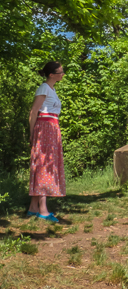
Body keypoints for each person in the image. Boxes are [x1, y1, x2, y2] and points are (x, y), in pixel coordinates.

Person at [28, 61, 66, 222]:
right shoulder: (44, 88)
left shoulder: (51, 89)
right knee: (44, 164)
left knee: (47, 163)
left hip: (52, 127)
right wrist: (32, 133)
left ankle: (33, 208)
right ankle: (43, 210)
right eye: (61, 71)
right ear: (52, 74)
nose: (63, 73)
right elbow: (34, 111)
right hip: (44, 128)